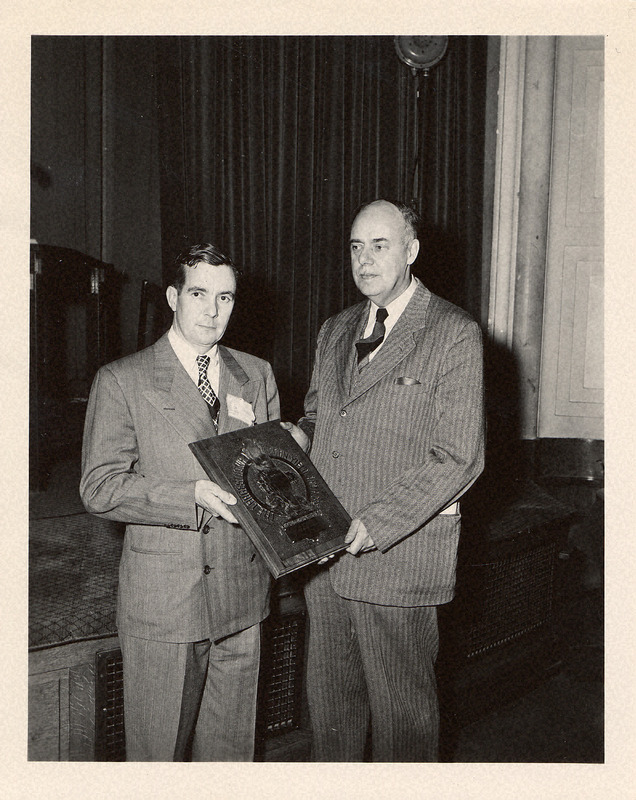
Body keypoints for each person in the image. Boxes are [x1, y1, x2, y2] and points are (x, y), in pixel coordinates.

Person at [284, 199, 485, 762]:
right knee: (332, 717)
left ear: (412, 252)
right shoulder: (336, 328)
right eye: (355, 246)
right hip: (325, 557)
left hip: (396, 558)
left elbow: (460, 457)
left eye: (380, 245)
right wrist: (294, 439)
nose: (364, 260)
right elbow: (320, 416)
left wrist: (378, 523)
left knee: (404, 726)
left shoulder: (453, 333)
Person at [80, 243, 280, 761]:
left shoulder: (256, 375)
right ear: (172, 297)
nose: (213, 310)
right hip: (165, 603)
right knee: (158, 759)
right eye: (199, 294)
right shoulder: (123, 379)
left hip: (242, 597)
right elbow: (100, 487)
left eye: (226, 297)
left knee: (231, 760)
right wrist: (186, 497)